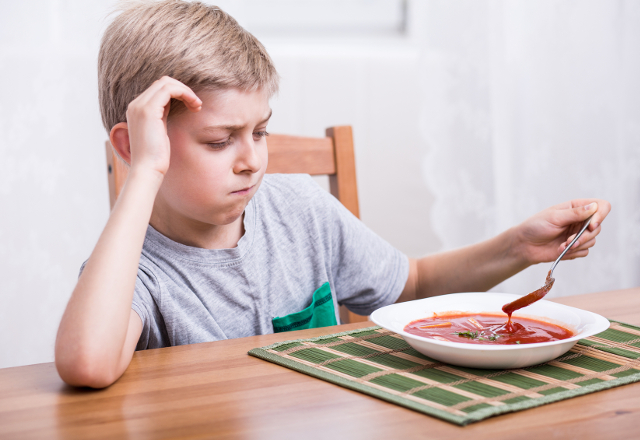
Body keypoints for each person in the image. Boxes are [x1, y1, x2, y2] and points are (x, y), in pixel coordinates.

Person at [54, 0, 611, 389]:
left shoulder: (300, 209)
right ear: (137, 146)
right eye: (220, 140)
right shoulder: (139, 272)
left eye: (261, 131)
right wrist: (143, 172)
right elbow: (87, 364)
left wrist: (520, 246)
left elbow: (409, 286)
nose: (252, 159)